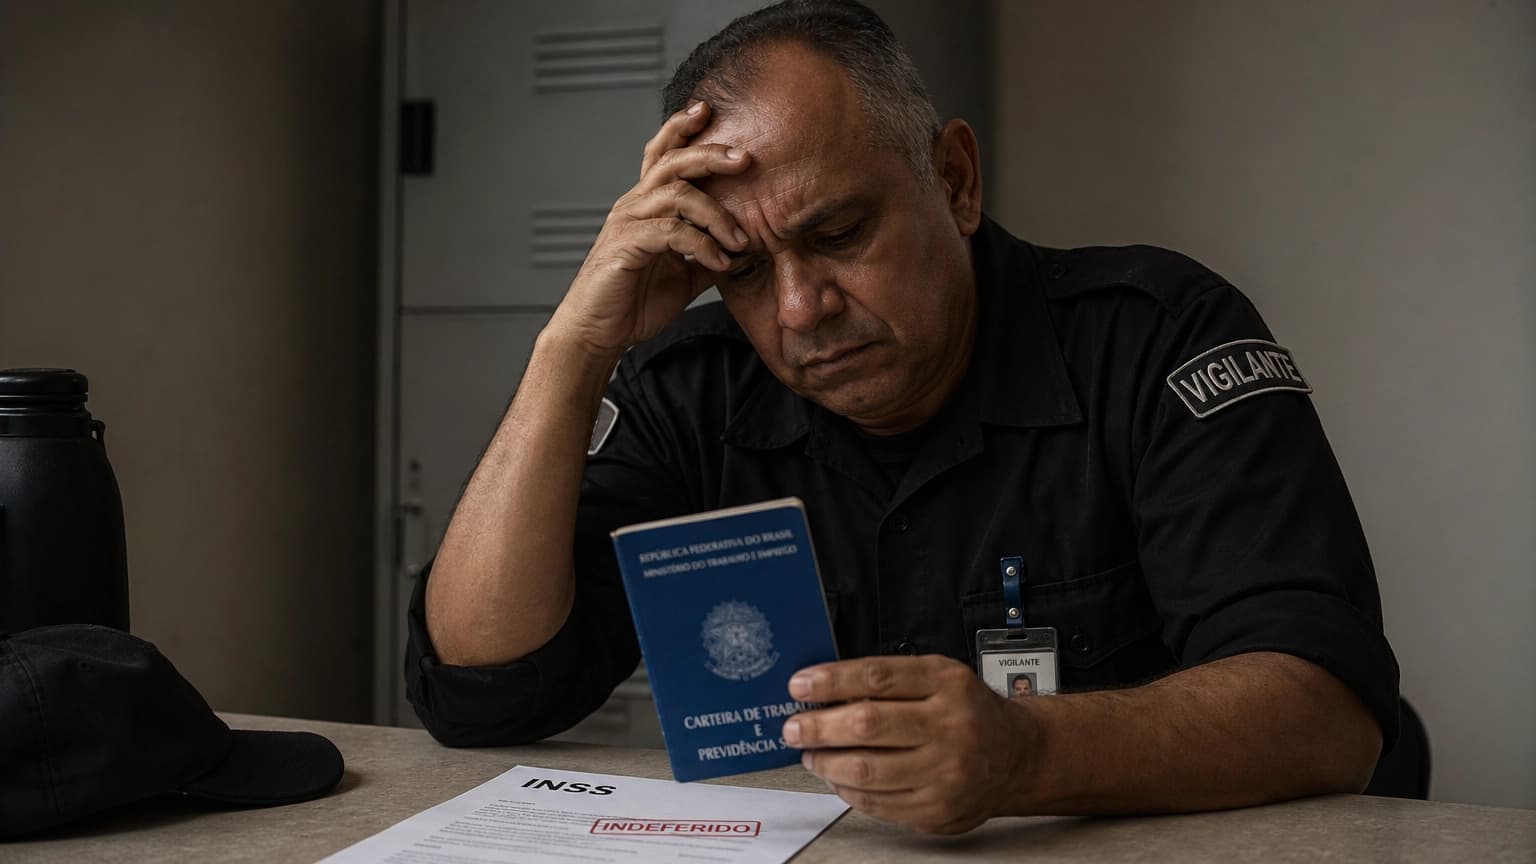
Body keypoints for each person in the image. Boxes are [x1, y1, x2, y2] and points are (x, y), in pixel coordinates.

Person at [406, 0, 1399, 834]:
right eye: (742, 272)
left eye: (837, 233)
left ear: (955, 181)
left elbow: (1328, 714)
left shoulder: (1157, 336)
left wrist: (1031, 754)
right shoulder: (690, 387)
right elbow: (484, 689)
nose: (799, 310)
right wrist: (572, 349)